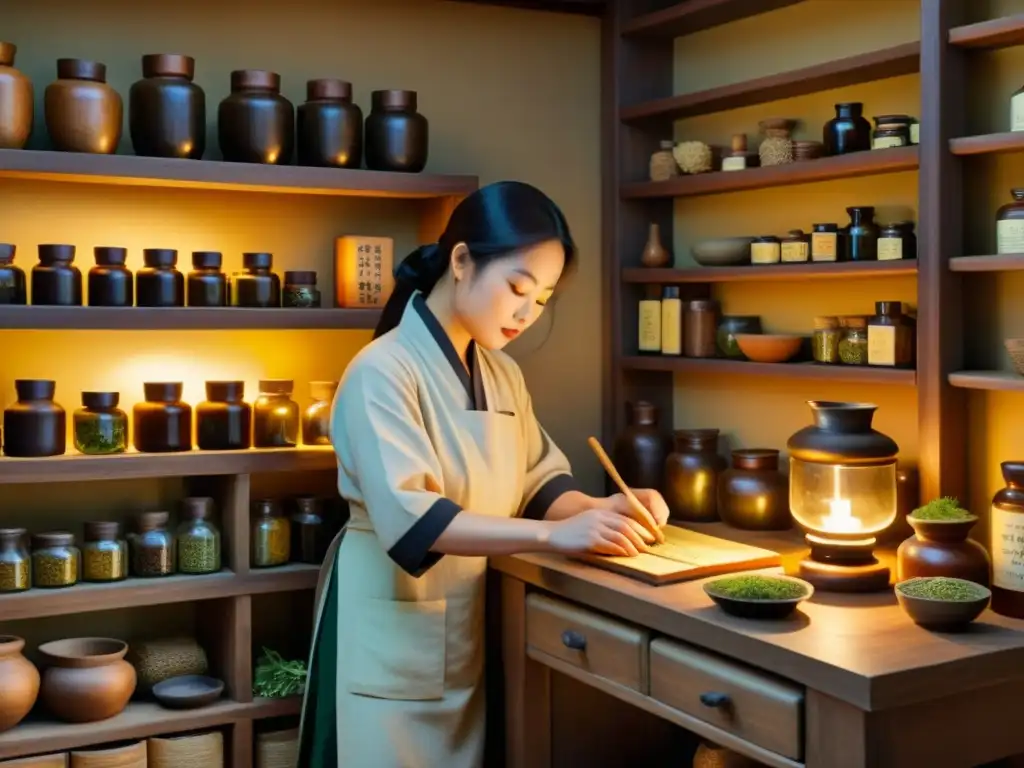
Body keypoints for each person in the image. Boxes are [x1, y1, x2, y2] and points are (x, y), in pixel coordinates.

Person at [297, 180, 670, 768]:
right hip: (389, 622)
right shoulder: (381, 371)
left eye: (543, 299)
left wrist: (604, 510)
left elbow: (539, 483)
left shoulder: (500, 374)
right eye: (518, 288)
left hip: (463, 623)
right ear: (463, 261)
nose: (528, 313)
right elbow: (413, 521)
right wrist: (553, 537)